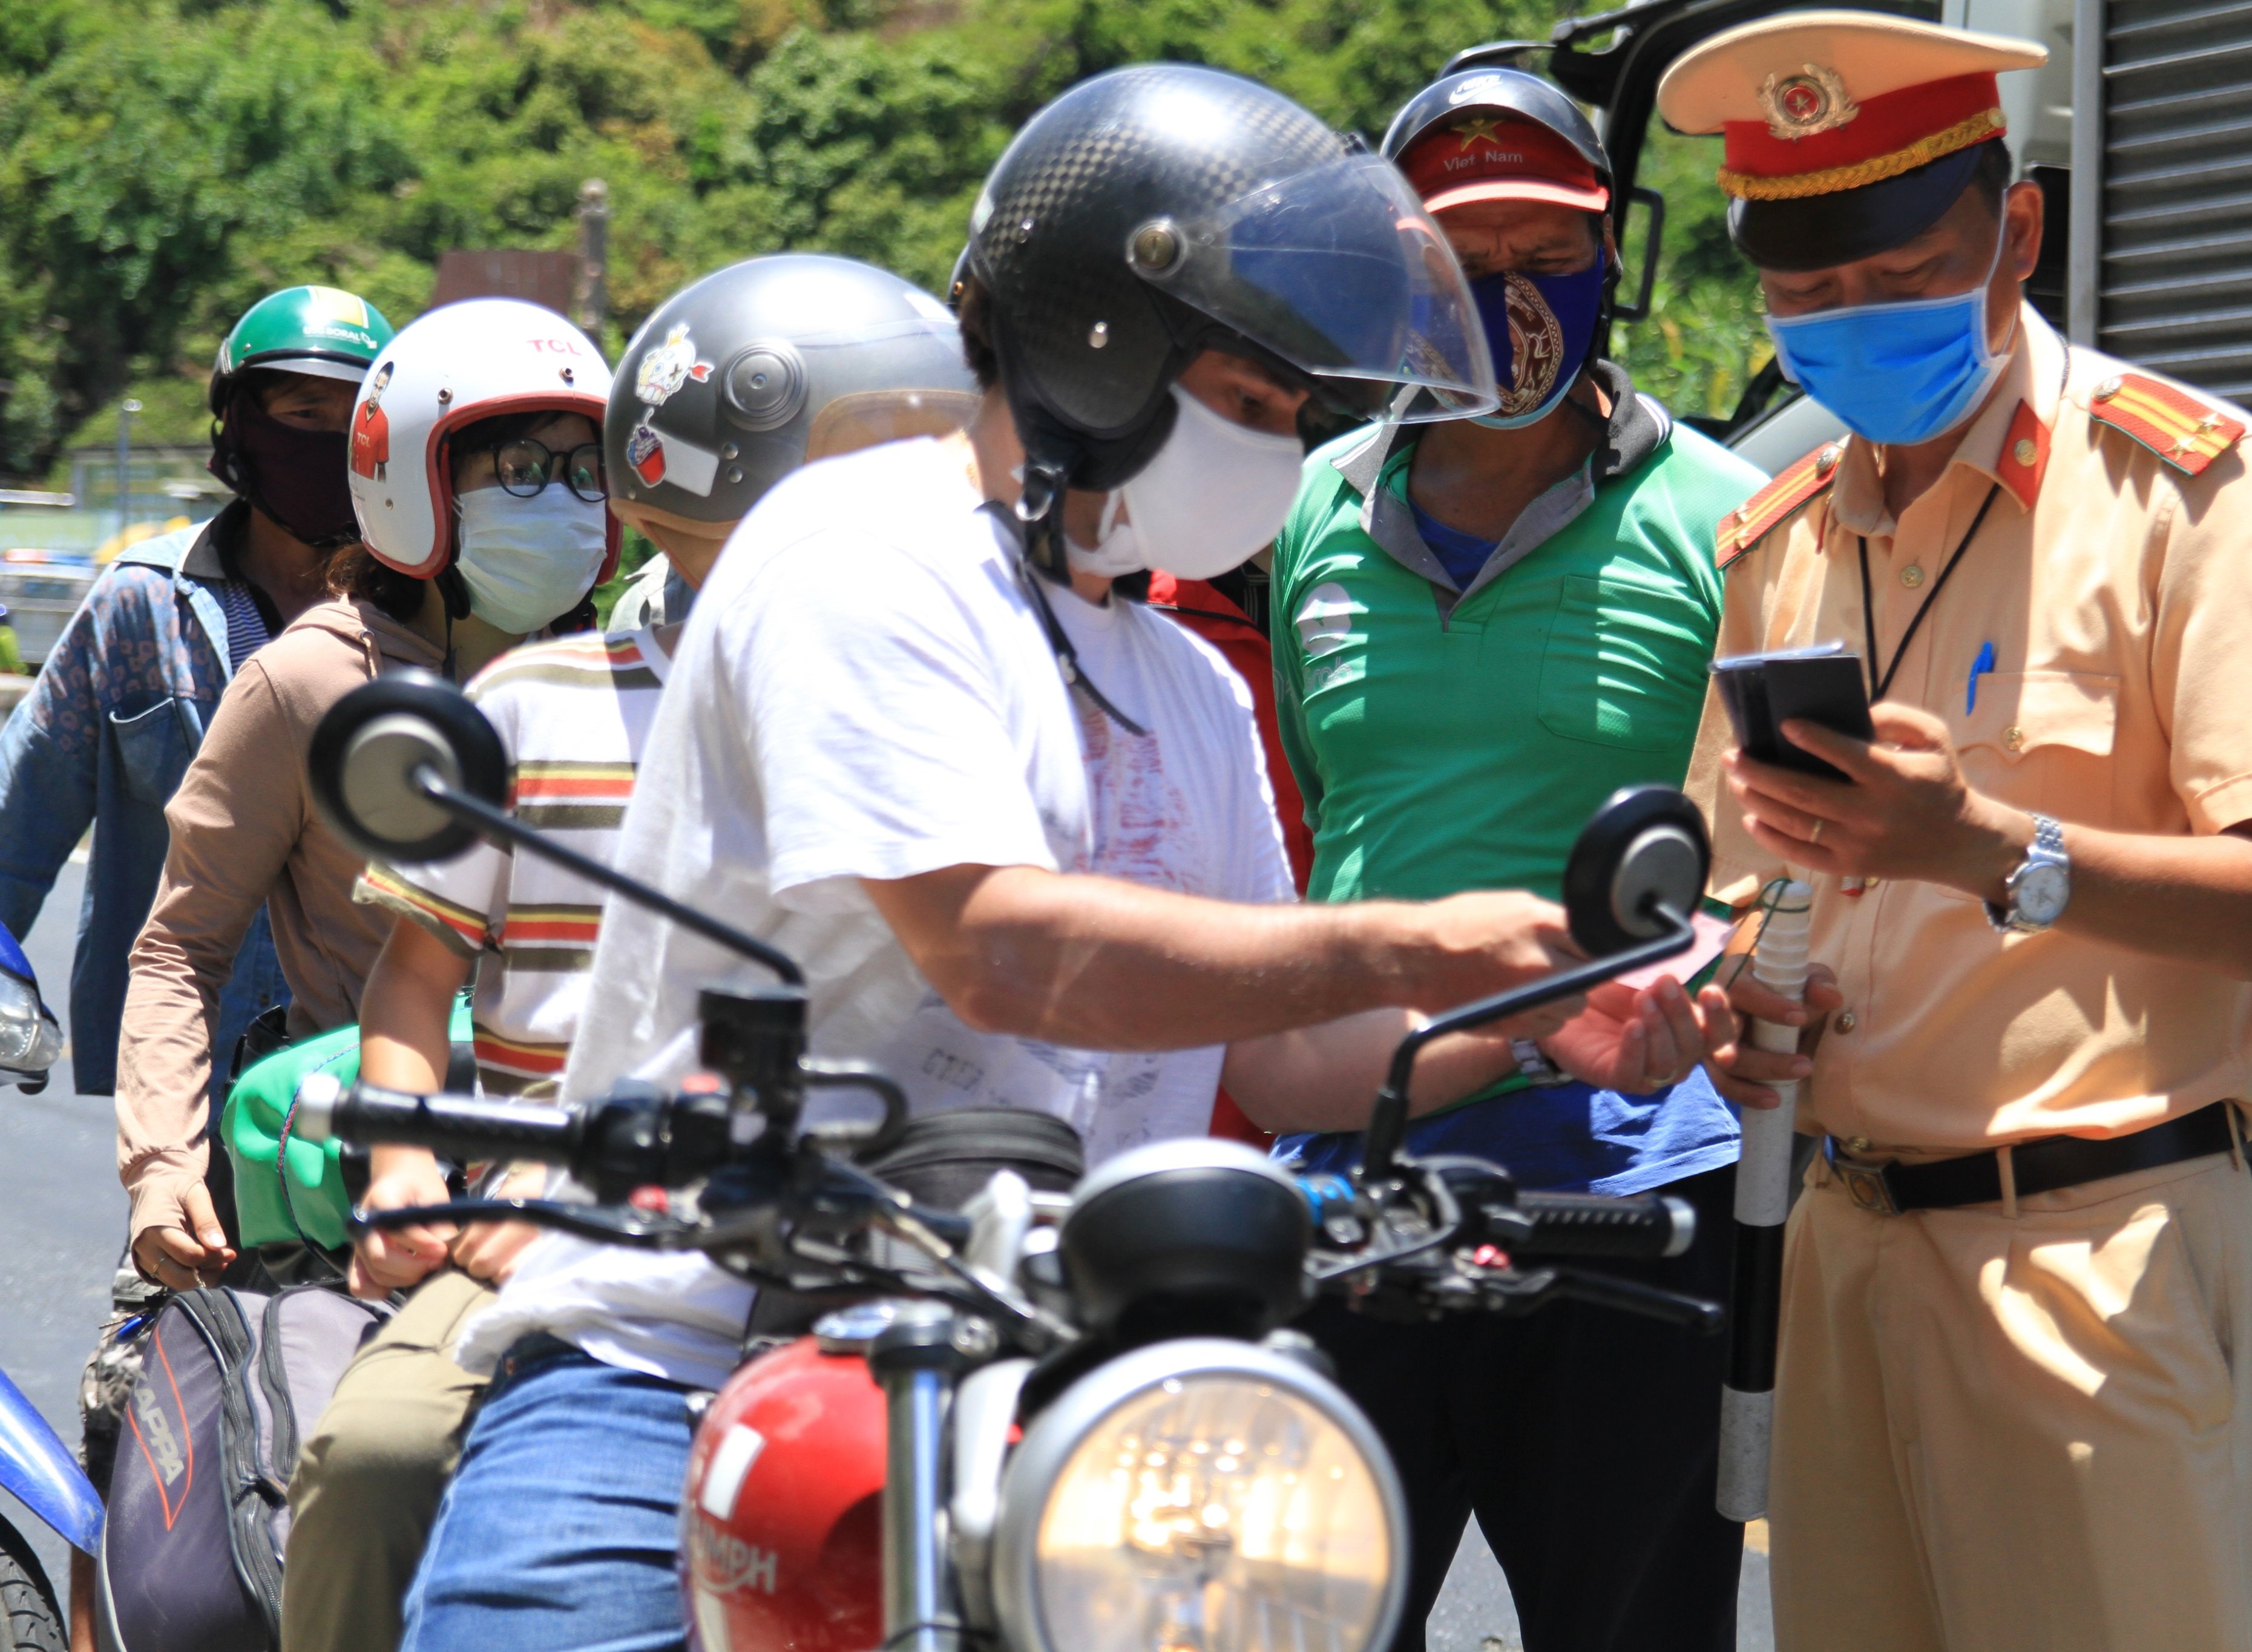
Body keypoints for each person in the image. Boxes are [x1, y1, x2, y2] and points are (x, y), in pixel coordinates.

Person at [391, 65, 1695, 1650]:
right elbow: (1006, 948)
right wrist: (1439, 942)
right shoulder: (858, 547)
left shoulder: (1191, 687)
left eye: (1298, 416)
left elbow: (1285, 1062)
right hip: (693, 1354)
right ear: (1102, 344)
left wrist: (1549, 1002)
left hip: (1062, 1392)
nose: (1283, 456)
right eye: (1256, 402)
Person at [1659, 15, 2252, 1651]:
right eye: (1806, 298)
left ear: (2016, 234)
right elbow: (1740, 887)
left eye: (1895, 280)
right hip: (1843, 1249)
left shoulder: (2197, 494)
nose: (1847, 326)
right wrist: (1736, 997)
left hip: (2099, 1252)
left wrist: (1995, 850)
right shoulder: (1781, 541)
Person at [274, 255, 981, 1652]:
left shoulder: (933, 706)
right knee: (375, 1459)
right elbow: (413, 978)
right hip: (548, 1201)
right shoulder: (536, 698)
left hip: (864, 1204)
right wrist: (415, 1170)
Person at [1256, 67, 1759, 1652]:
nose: (1514, 296)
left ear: (1623, 259)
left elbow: (1767, 858)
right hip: (1355, 1187)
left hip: (1638, 1194)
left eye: (1555, 251)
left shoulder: (1731, 522)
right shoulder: (1307, 518)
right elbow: (1326, 808)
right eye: (1467, 262)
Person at [118, 297, 618, 1296]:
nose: (560, 505)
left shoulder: (621, 682)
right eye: (520, 471)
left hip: (591, 1183)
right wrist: (161, 1168)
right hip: (367, 1195)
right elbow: (181, 945)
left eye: (583, 474)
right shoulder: (309, 685)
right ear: (414, 485)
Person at [0, 286, 392, 1105]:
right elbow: (20, 816)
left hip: (373, 1075)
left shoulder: (427, 622)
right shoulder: (140, 605)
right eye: (302, 411)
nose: (327, 441)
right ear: (241, 425)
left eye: (353, 418)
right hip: (183, 1076)